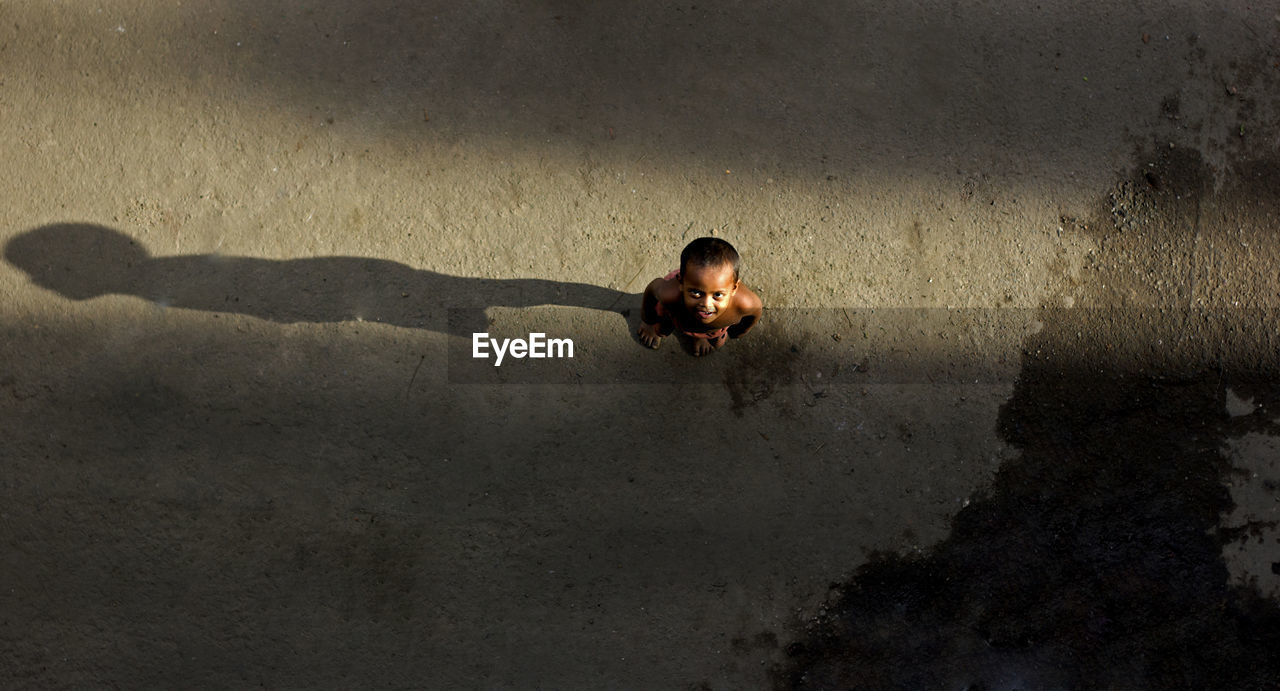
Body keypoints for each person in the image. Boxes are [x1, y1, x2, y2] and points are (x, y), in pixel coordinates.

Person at [636, 237, 762, 356]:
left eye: (717, 295)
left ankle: (699, 337)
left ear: (734, 288)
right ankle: (658, 330)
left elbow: (755, 313)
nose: (707, 304)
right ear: (681, 282)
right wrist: (648, 320)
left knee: (717, 343)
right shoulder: (670, 295)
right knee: (662, 329)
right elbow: (652, 289)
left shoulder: (745, 304)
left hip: (713, 330)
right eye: (696, 293)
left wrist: (738, 332)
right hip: (675, 316)